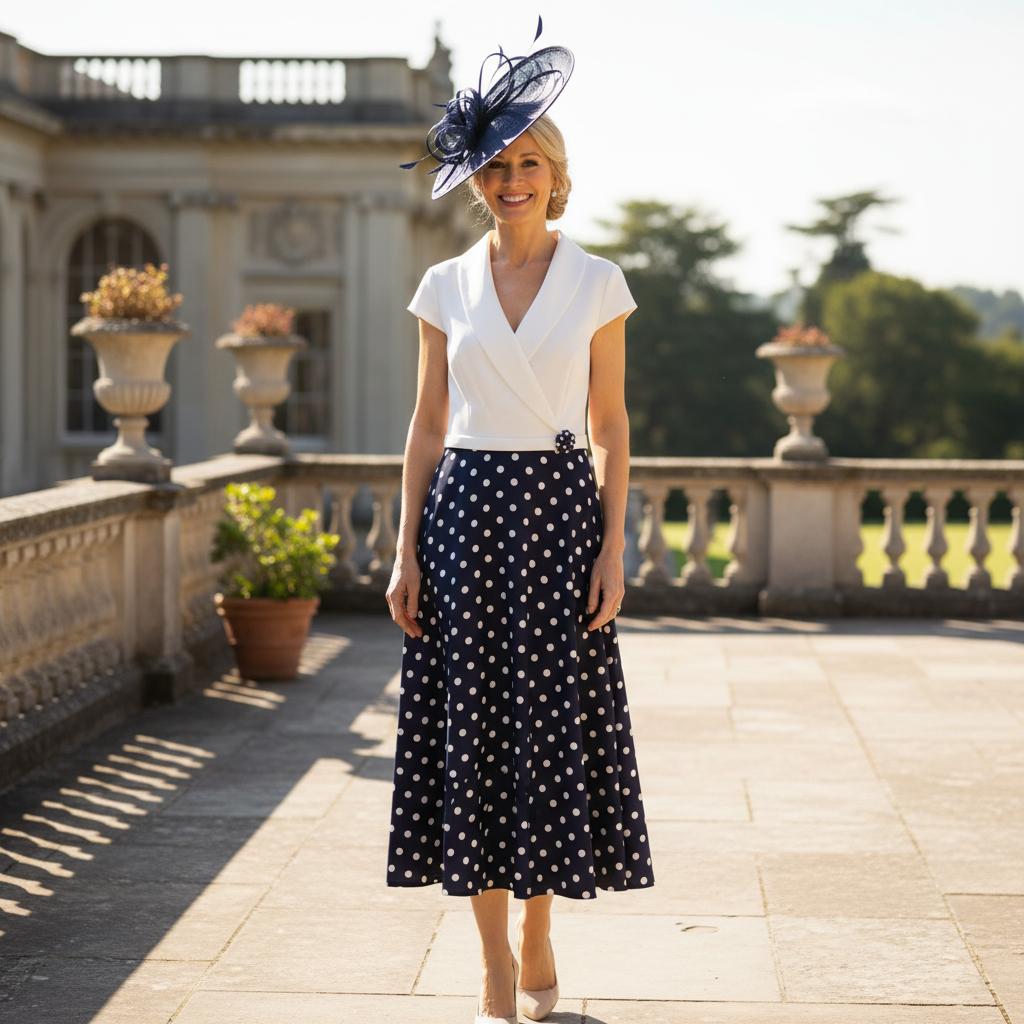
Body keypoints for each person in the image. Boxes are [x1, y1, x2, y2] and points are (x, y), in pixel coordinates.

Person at [387, 17, 655, 1024]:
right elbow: (422, 426)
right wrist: (405, 552)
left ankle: (540, 925)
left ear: (557, 174)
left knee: (543, 738)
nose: (512, 180)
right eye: (496, 165)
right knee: (470, 738)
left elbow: (611, 424)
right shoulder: (441, 285)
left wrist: (612, 546)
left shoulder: (599, 282)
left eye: (529, 163)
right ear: (475, 178)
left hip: (554, 521)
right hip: (460, 521)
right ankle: (496, 960)